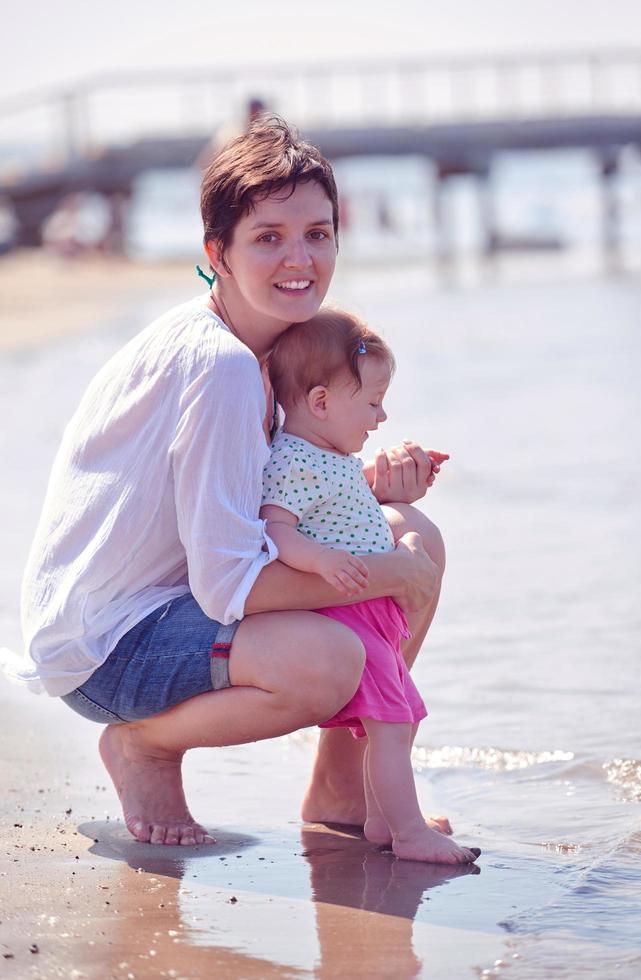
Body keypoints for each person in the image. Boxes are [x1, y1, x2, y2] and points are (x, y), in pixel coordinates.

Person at [1, 116, 448, 847]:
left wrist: (368, 490)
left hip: (165, 600)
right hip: (109, 641)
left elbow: (258, 492)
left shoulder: (276, 346)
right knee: (340, 648)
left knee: (412, 533)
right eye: (268, 237)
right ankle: (145, 745)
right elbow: (228, 586)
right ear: (219, 253)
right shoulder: (223, 368)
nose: (299, 258)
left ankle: (342, 785)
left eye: (317, 233)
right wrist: (387, 574)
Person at [261, 310, 479, 864]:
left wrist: (391, 480)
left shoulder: (329, 455)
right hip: (348, 611)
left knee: (402, 711)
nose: (382, 417)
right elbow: (276, 526)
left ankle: (382, 816)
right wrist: (321, 561)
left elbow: (345, 507)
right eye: (373, 402)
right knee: (390, 720)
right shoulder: (295, 461)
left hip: (368, 609)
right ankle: (407, 833)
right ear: (320, 403)